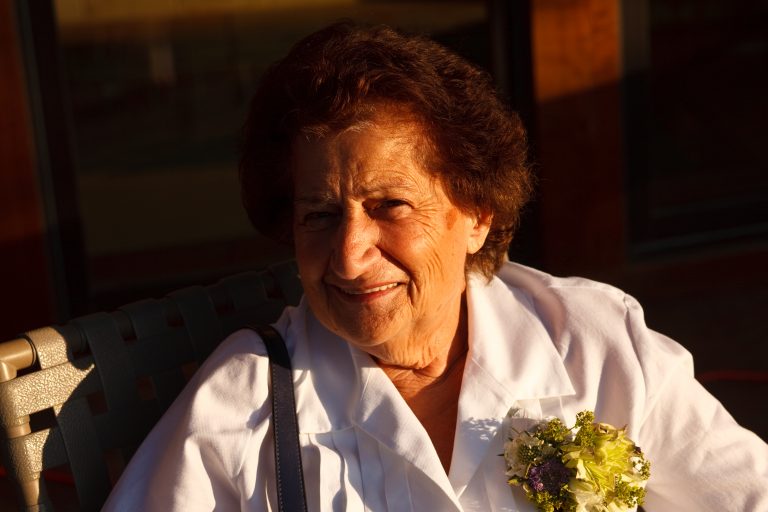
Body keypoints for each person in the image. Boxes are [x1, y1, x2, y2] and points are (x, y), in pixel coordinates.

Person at [103, 22, 768, 511]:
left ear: (476, 214)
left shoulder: (592, 344)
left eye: (389, 206)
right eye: (320, 215)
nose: (349, 254)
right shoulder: (245, 403)